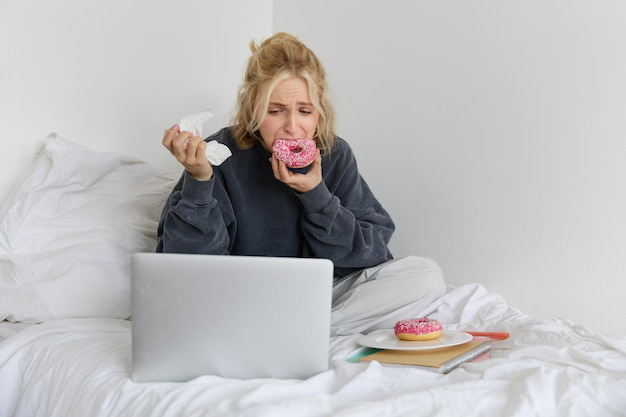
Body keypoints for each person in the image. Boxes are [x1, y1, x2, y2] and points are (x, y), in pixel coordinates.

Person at [157, 32, 445, 336]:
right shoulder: (218, 154)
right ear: (252, 108)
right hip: (244, 299)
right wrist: (200, 180)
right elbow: (184, 268)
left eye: (305, 111)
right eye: (275, 110)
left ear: (320, 114)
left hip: (319, 299)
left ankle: (290, 333)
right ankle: (289, 331)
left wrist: (316, 196)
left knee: (426, 276)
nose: (292, 127)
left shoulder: (335, 154)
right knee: (191, 304)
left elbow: (372, 255)